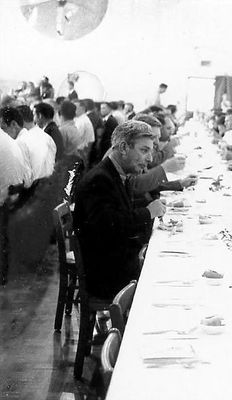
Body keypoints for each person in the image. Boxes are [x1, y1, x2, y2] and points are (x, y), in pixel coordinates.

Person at [73, 120, 166, 300]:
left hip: (114, 261)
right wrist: (148, 213)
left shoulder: (116, 173)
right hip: (106, 275)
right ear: (123, 147)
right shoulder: (100, 180)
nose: (150, 159)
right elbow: (110, 227)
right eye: (144, 150)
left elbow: (118, 217)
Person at [15, 105, 56, 182]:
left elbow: (25, 177)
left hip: (33, 188)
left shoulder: (21, 141)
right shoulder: (47, 137)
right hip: (49, 185)